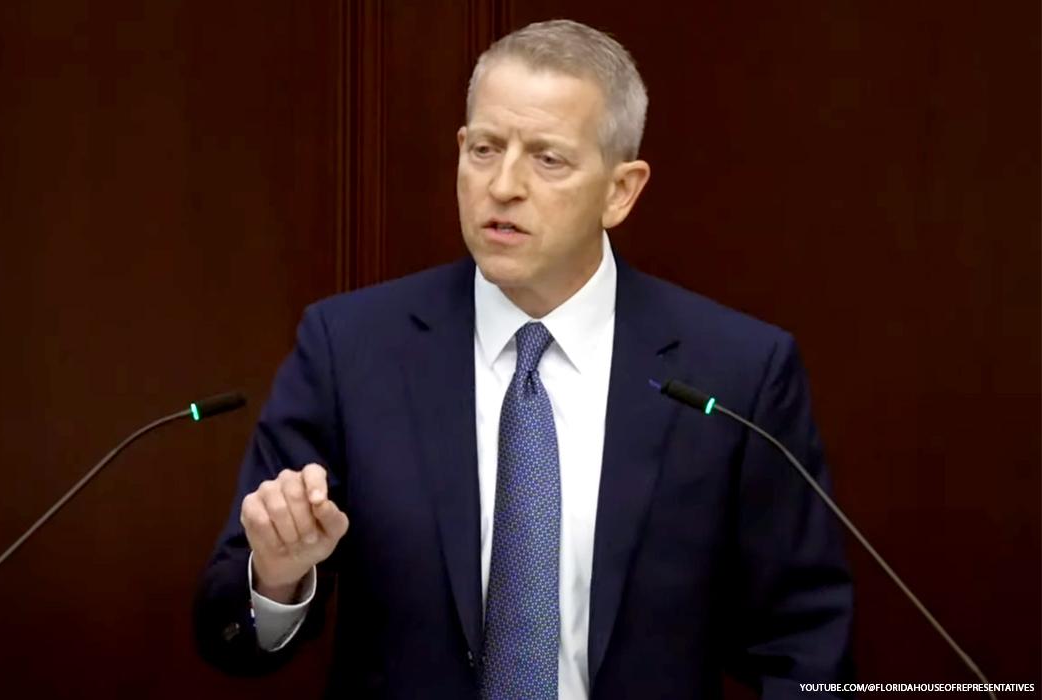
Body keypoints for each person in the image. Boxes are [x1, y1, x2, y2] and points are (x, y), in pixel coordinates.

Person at [194, 19, 853, 699]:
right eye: (484, 148)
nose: (502, 185)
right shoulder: (351, 347)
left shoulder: (735, 370)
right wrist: (277, 578)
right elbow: (232, 630)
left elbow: (803, 641)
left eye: (547, 159)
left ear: (620, 191)